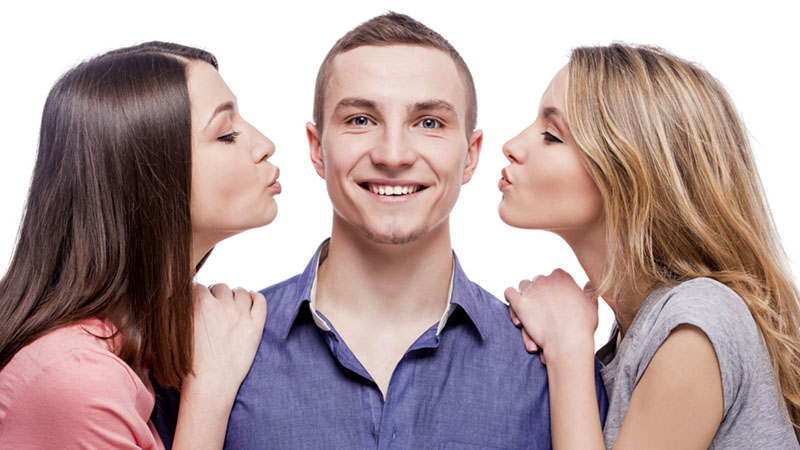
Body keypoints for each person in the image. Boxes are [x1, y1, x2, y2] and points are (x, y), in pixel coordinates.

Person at [152, 12, 607, 450]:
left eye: (429, 122)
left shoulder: (551, 368)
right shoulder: (207, 354)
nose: (393, 155)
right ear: (316, 150)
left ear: (470, 156)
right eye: (360, 120)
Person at [501, 43, 800, 448]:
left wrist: (568, 345)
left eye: (552, 136)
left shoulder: (697, 324)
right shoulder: (636, 333)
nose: (513, 146)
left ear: (630, 175)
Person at [0, 41, 279, 449]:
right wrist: (211, 390)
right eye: (227, 134)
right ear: (144, 176)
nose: (264, 144)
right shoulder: (74, 377)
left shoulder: (139, 344)